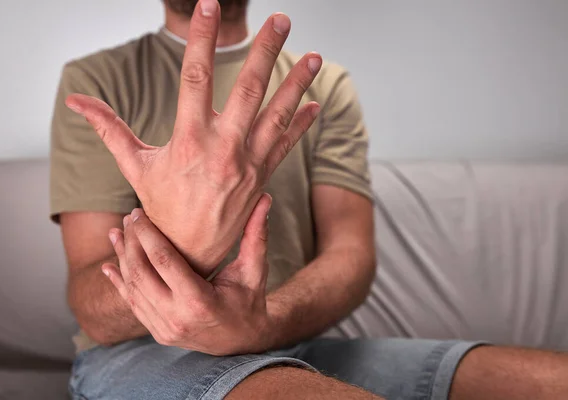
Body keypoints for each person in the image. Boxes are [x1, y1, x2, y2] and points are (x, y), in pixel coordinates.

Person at [50, 0, 568, 399]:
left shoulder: (326, 88)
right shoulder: (98, 80)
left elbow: (351, 257)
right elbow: (94, 310)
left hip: (293, 340)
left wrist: (261, 323)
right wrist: (188, 248)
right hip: (142, 354)